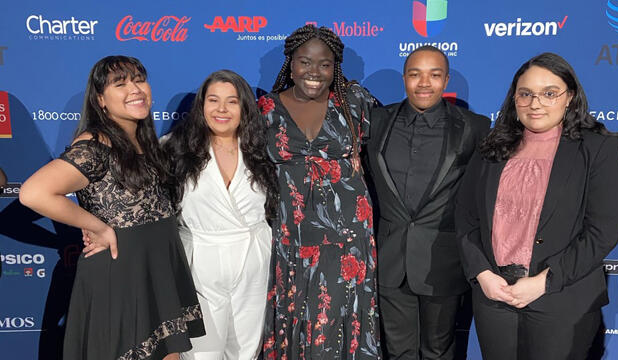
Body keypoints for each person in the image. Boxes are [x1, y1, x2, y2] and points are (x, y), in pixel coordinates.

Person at [19, 55, 205, 360]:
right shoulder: (96, 143)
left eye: (139, 80)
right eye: (120, 83)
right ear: (100, 100)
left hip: (157, 271)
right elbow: (33, 193)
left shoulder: (145, 141)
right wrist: (98, 226)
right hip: (121, 274)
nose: (135, 89)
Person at [456, 52, 618, 359]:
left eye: (549, 94)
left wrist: (544, 282)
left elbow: (603, 231)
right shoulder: (493, 146)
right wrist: (482, 273)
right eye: (526, 94)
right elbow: (466, 217)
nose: (536, 103)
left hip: (561, 297)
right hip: (494, 295)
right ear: (515, 99)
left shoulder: (597, 148)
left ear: (569, 97)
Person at [258, 24, 380, 359]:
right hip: (290, 232)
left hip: (347, 233)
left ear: (335, 67)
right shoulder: (265, 109)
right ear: (291, 64)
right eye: (305, 62)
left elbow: (388, 149)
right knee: (295, 307)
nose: (314, 72)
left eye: (324, 64)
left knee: (339, 309)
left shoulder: (355, 101)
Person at [364, 45, 490, 359]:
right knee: (398, 351)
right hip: (391, 259)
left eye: (434, 75)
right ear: (404, 78)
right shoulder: (376, 121)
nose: (424, 83)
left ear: (446, 80)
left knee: (438, 350)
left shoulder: (474, 127)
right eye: (415, 74)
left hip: (442, 261)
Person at [162, 70, 277, 360]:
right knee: (201, 353)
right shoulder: (172, 149)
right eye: (213, 100)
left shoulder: (265, 151)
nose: (222, 109)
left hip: (254, 261)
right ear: (201, 106)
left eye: (232, 102)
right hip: (198, 264)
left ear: (244, 108)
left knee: (245, 352)